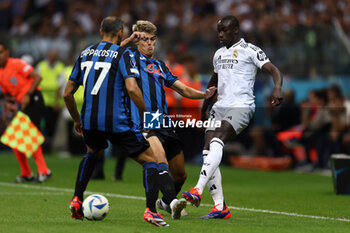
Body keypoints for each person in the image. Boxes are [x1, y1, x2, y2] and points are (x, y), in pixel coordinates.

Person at [64, 17, 171, 227]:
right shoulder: (124, 54)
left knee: (92, 152)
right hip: (116, 120)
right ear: (121, 32)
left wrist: (77, 120)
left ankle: (76, 199)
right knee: (149, 160)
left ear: (100, 30)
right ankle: (151, 211)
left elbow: (67, 94)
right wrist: (146, 113)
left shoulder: (86, 52)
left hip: (89, 119)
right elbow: (132, 88)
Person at [182, 15, 283, 219]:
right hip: (219, 107)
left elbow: (274, 70)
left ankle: (197, 190)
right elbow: (214, 81)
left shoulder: (251, 50)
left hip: (241, 106)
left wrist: (277, 88)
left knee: (218, 140)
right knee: (207, 152)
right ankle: (220, 207)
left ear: (235, 30)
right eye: (218, 31)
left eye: (224, 30)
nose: (220, 35)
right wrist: (204, 107)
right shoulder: (218, 54)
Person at [129, 20, 216, 218]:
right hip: (145, 121)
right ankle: (172, 203)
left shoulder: (160, 66)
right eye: (144, 40)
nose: (149, 44)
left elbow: (182, 89)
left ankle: (165, 201)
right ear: (136, 41)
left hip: (164, 122)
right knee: (160, 162)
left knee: (180, 174)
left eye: (152, 40)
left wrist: (204, 94)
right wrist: (130, 40)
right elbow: (115, 53)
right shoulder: (130, 61)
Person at [0, 41, 51, 183]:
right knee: (15, 139)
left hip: (34, 99)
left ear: (7, 53)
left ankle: (44, 171)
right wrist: (9, 106)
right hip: (23, 105)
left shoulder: (16, 64)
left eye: (1, 52)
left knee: (29, 135)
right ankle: (27, 173)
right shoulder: (0, 72)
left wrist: (28, 94)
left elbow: (37, 77)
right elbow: (8, 95)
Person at [37, 49, 65, 153]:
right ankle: (41, 146)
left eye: (55, 56)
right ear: (48, 56)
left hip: (54, 103)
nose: (53, 58)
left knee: (51, 125)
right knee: (41, 124)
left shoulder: (60, 67)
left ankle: (48, 147)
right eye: (52, 55)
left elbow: (60, 86)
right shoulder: (41, 66)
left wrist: (57, 102)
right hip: (42, 101)